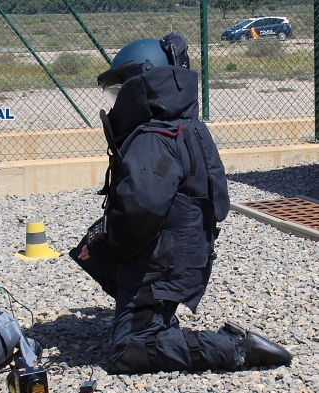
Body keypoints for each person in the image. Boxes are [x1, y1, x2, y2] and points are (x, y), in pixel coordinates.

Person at [69, 33, 293, 374]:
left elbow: (137, 214)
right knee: (92, 245)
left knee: (126, 352)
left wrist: (104, 246)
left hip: (163, 266)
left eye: (120, 90)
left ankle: (234, 348)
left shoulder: (154, 138)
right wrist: (98, 241)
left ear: (143, 84)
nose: (117, 102)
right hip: (183, 257)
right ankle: (152, 319)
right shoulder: (186, 126)